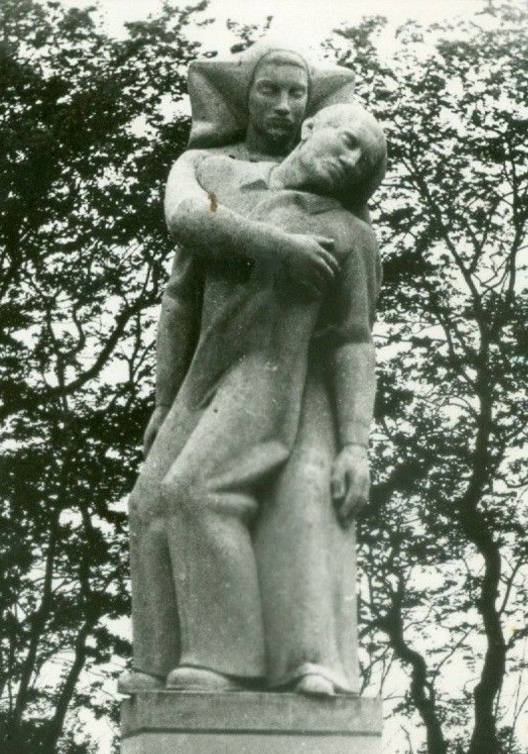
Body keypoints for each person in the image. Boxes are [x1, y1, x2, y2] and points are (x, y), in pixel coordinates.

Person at [126, 102, 385, 696]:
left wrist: (356, 445)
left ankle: (223, 659)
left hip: (271, 376)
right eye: (347, 141)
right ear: (310, 129)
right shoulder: (230, 194)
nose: (352, 162)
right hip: (203, 376)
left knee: (197, 492)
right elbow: (180, 303)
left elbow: (353, 342)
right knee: (149, 504)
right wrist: (165, 402)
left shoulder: (350, 234)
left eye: (364, 161)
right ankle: (157, 659)